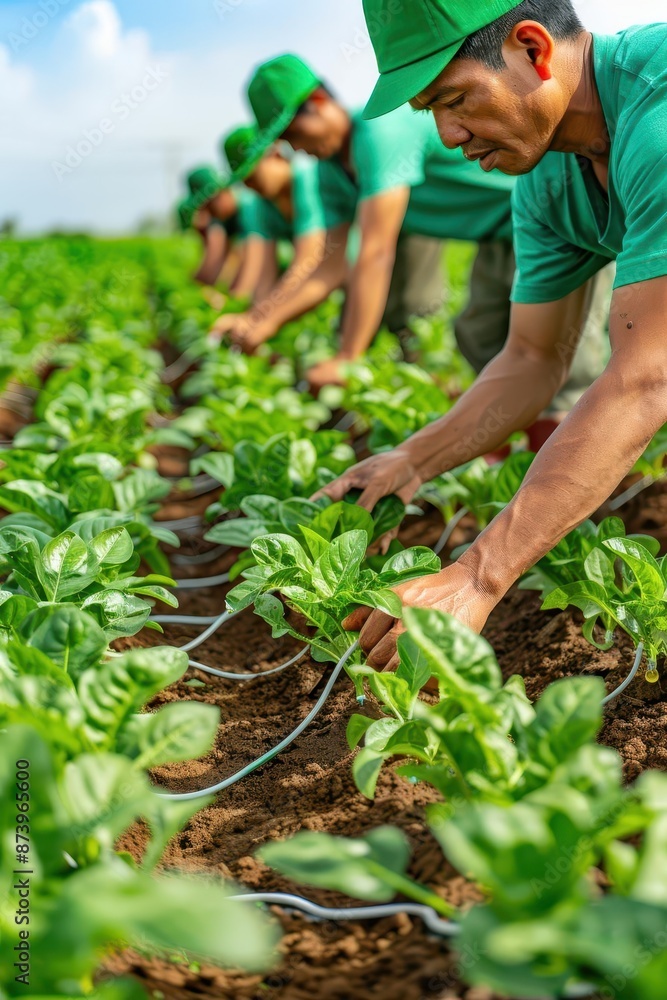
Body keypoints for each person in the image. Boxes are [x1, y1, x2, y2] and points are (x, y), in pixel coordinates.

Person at [317, 0, 667, 672]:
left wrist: (477, 576)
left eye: (455, 99)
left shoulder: (655, 112)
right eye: (431, 112)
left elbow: (645, 378)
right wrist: (413, 459)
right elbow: (533, 358)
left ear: (532, 49)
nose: (448, 136)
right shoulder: (543, 175)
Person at [216, 54, 526, 390]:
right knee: (481, 337)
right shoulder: (328, 170)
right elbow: (329, 265)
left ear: (319, 102)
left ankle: (556, 431)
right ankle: (514, 436)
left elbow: (374, 251)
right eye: (287, 141)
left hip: (538, 211)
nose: (297, 148)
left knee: (552, 353)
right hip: (498, 236)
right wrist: (261, 321)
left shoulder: (379, 129)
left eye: (295, 132)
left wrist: (347, 358)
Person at [209, 125, 329, 345]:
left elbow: (307, 262)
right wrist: (253, 317)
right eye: (243, 180)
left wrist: (259, 318)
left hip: (342, 268)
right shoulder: (261, 203)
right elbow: (264, 275)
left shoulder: (306, 178)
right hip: (320, 281)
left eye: (252, 175)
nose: (249, 185)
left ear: (275, 154)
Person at [180, 164, 277, 300]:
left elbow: (255, 260)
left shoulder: (249, 206)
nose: (211, 214)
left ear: (220, 194)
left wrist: (234, 300)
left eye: (210, 206)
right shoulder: (228, 219)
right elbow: (227, 259)